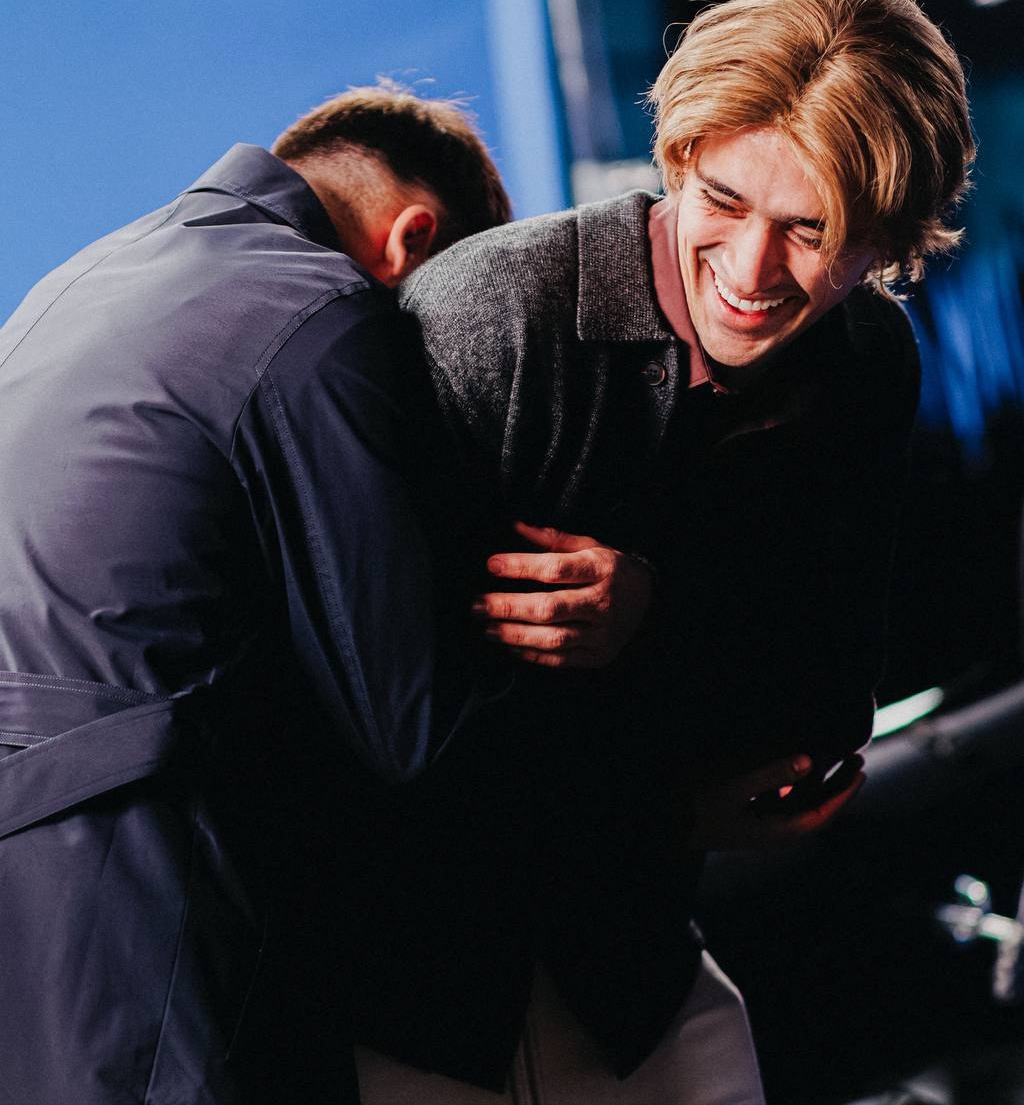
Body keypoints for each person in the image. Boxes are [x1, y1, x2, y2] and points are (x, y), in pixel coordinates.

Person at [379, 0, 976, 1104]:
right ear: (678, 155)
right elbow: (392, 748)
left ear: (885, 239)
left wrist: (658, 616)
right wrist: (666, 799)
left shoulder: (867, 357)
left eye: (810, 230)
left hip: (635, 963)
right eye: (723, 200)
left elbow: (820, 715)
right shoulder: (489, 320)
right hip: (418, 988)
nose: (749, 273)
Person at [0, 84, 649, 1105]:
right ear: (413, 240)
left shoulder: (84, 277)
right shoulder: (317, 309)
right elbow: (412, 721)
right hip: (142, 888)